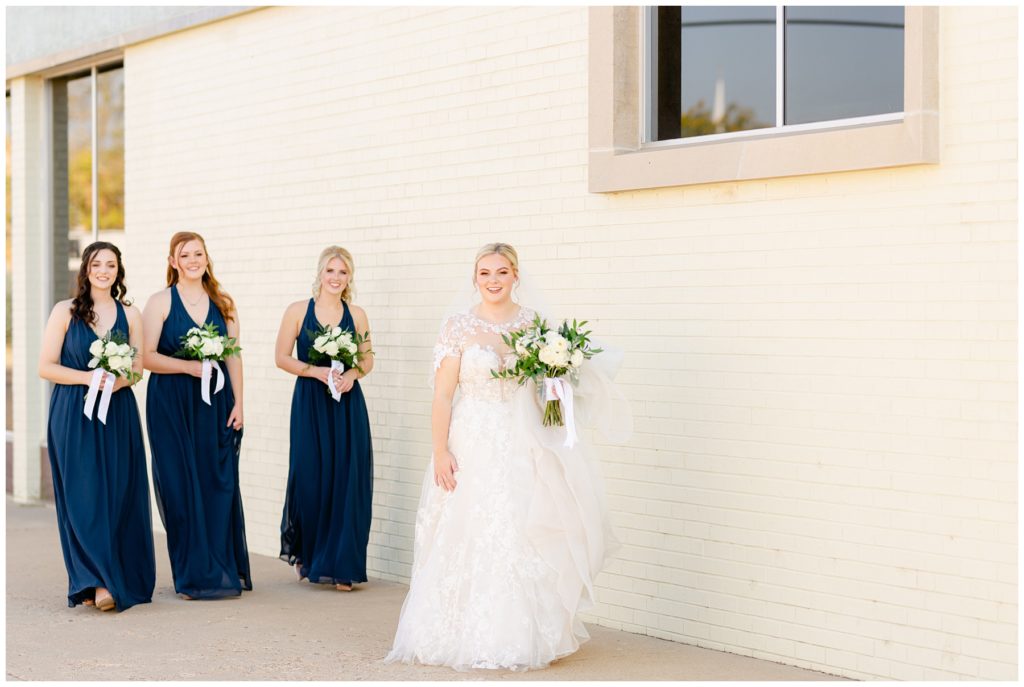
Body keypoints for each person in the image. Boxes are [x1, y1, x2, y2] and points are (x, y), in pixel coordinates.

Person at [385, 242, 627, 671]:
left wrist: (556, 387)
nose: (493, 280)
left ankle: (520, 632)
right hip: (471, 439)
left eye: (501, 272)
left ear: (516, 275)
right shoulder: (457, 327)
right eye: (484, 273)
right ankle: (457, 631)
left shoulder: (535, 325)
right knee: (469, 525)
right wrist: (440, 451)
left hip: (521, 439)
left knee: (523, 525)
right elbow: (443, 395)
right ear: (474, 278)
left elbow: (546, 386)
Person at [38, 241, 156, 612]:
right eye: (96, 264)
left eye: (110, 265)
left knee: (118, 493)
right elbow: (46, 366)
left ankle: (114, 575)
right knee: (83, 495)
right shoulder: (65, 311)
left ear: (119, 271)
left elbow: (137, 370)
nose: (103, 270)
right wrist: (90, 378)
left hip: (117, 412)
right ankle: (95, 581)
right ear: (86, 269)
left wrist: (114, 381)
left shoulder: (131, 314)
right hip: (73, 412)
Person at [142, 231, 251, 599]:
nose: (193, 260)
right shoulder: (160, 302)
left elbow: (233, 355)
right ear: (173, 261)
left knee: (216, 483)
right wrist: (189, 369)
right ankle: (190, 576)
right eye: (185, 255)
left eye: (198, 253)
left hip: (215, 403)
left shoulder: (224, 303)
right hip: (170, 405)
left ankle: (221, 569)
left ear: (207, 258)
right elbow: (146, 357)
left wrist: (239, 402)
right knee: (179, 486)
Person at [275, 246, 374, 591]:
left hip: (346, 405)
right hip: (310, 403)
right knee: (312, 477)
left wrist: (352, 376)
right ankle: (310, 554)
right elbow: (281, 357)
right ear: (320, 273)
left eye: (342, 272)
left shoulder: (357, 315)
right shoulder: (298, 311)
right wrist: (316, 372)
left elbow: (367, 359)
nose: (335, 278)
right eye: (330, 271)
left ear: (350, 277)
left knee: (347, 479)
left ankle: (344, 565)